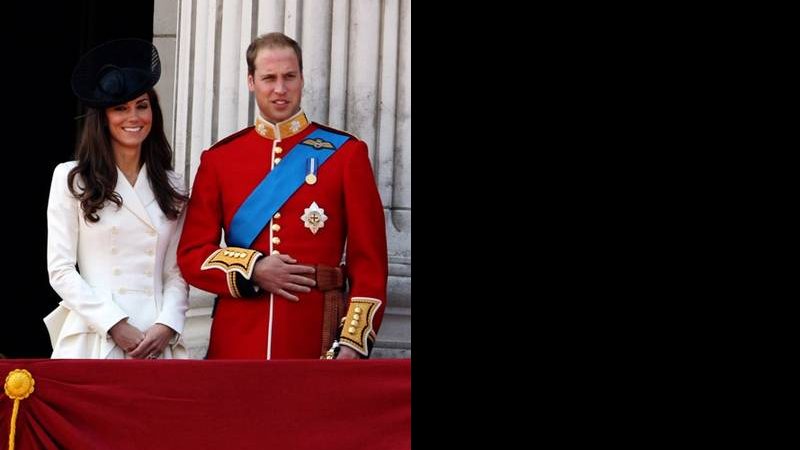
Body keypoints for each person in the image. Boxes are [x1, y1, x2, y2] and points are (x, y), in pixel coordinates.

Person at [177, 32, 388, 360]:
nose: (280, 89)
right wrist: (253, 269)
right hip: (238, 338)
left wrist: (352, 342)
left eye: (289, 77)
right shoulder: (220, 159)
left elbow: (370, 262)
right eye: (269, 78)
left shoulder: (346, 154)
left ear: (302, 79)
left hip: (315, 333)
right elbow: (192, 254)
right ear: (251, 81)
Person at [44, 39, 190, 359]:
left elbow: (177, 271)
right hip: (94, 338)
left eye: (141, 105)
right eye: (120, 108)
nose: (133, 117)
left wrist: (167, 324)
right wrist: (113, 323)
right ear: (103, 117)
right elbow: (61, 269)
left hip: (156, 340)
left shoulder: (173, 184)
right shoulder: (72, 179)